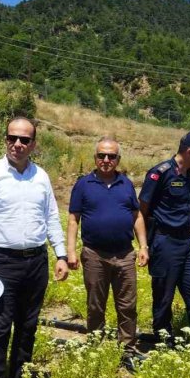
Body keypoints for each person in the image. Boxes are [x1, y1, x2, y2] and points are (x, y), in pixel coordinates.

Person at [0, 117, 68, 378]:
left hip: (36, 261)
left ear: (33, 144)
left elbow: (51, 217)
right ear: (5, 140)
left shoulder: (41, 176)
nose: (17, 144)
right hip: (1, 261)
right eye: (12, 138)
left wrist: (60, 254)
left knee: (28, 326)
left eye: (24, 139)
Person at [66, 137, 148, 360]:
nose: (106, 160)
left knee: (127, 306)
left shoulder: (126, 184)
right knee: (95, 306)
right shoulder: (83, 184)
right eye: (101, 155)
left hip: (124, 254)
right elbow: (74, 220)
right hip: (94, 255)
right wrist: (71, 252)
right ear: (95, 158)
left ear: (118, 159)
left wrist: (143, 246)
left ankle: (127, 351)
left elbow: (136, 216)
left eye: (111, 156)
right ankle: (95, 348)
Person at [139, 130, 190, 343]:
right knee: (164, 296)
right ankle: (163, 339)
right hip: (165, 242)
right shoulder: (160, 173)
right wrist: (144, 245)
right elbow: (141, 210)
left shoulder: (188, 173)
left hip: (186, 242)